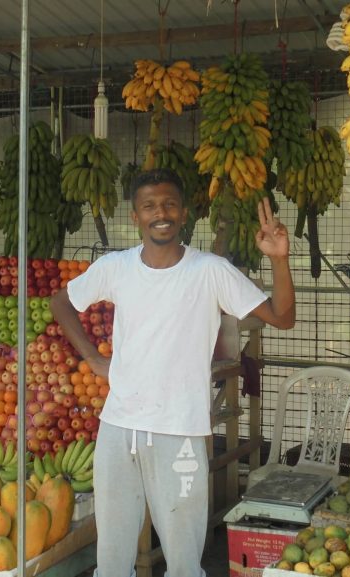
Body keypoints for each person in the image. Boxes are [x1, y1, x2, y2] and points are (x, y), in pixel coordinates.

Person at [50, 168, 295, 577]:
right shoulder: (117, 267)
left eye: (168, 204)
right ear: (135, 216)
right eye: (149, 206)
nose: (159, 213)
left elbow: (282, 318)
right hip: (118, 429)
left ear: (184, 213)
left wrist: (279, 259)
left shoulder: (210, 271)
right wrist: (92, 359)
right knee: (112, 558)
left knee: (183, 559)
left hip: (178, 433)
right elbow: (61, 302)